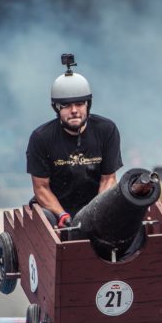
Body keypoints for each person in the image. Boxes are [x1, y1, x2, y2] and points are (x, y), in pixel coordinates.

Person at [26, 54, 123, 228]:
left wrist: (95, 214)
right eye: (66, 105)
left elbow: (108, 180)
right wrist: (62, 215)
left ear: (88, 104)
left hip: (94, 207)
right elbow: (41, 188)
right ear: (56, 108)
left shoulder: (107, 130)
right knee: (44, 219)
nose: (74, 111)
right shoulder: (41, 138)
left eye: (79, 104)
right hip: (56, 212)